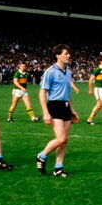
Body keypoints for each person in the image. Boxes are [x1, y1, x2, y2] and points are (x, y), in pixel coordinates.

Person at [35, 44, 80, 177]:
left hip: (65, 107)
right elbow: (42, 93)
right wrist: (45, 113)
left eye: (69, 53)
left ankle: (58, 168)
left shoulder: (68, 72)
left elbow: (68, 93)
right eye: (66, 53)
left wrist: (72, 110)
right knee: (61, 138)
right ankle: (42, 156)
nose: (69, 56)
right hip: (54, 106)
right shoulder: (50, 71)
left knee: (65, 140)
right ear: (58, 55)